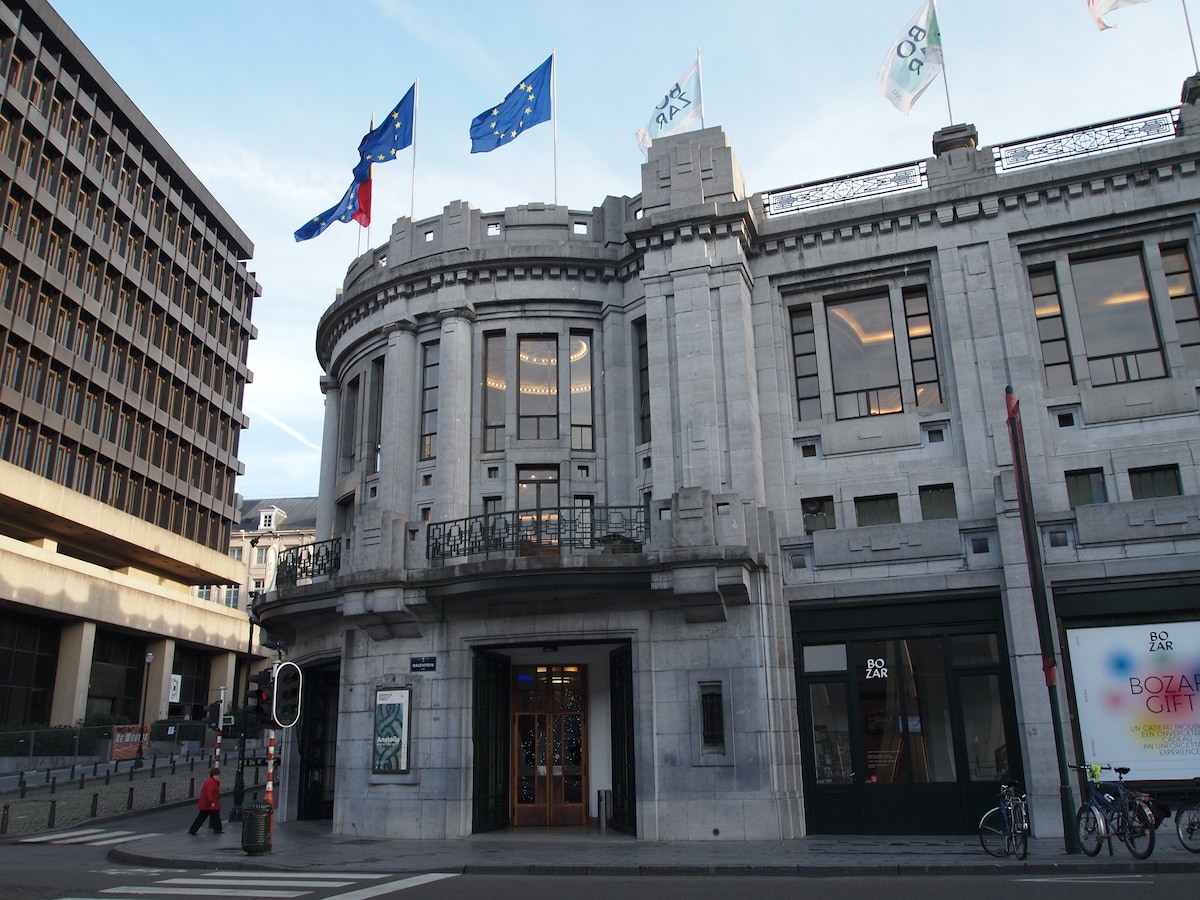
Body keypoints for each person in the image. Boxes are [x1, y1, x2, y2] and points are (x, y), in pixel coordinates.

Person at [188, 767, 224, 835]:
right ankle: (217, 829)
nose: (219, 776)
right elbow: (209, 793)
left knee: (201, 817)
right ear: (214, 775)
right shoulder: (211, 783)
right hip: (210, 803)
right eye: (218, 775)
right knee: (215, 816)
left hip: (206, 803)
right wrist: (211, 802)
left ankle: (193, 830)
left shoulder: (210, 781)